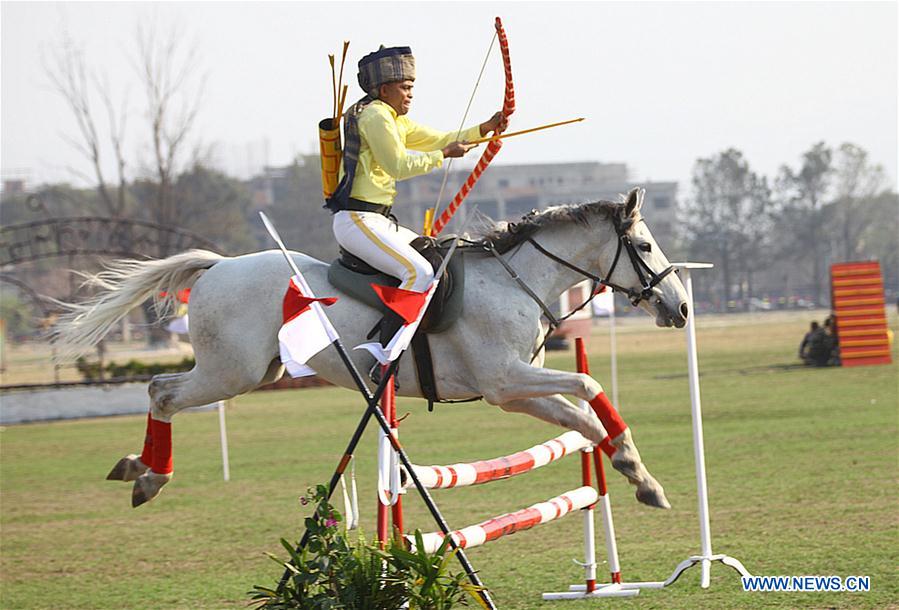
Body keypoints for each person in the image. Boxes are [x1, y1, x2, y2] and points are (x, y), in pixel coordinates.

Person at [326, 45, 507, 353]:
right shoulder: (376, 117)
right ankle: (387, 354)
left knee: (435, 261)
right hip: (358, 220)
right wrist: (443, 156)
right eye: (405, 87)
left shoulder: (394, 118)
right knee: (418, 272)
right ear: (385, 89)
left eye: (412, 87)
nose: (410, 94)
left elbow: (439, 139)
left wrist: (484, 129)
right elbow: (398, 166)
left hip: (378, 221)